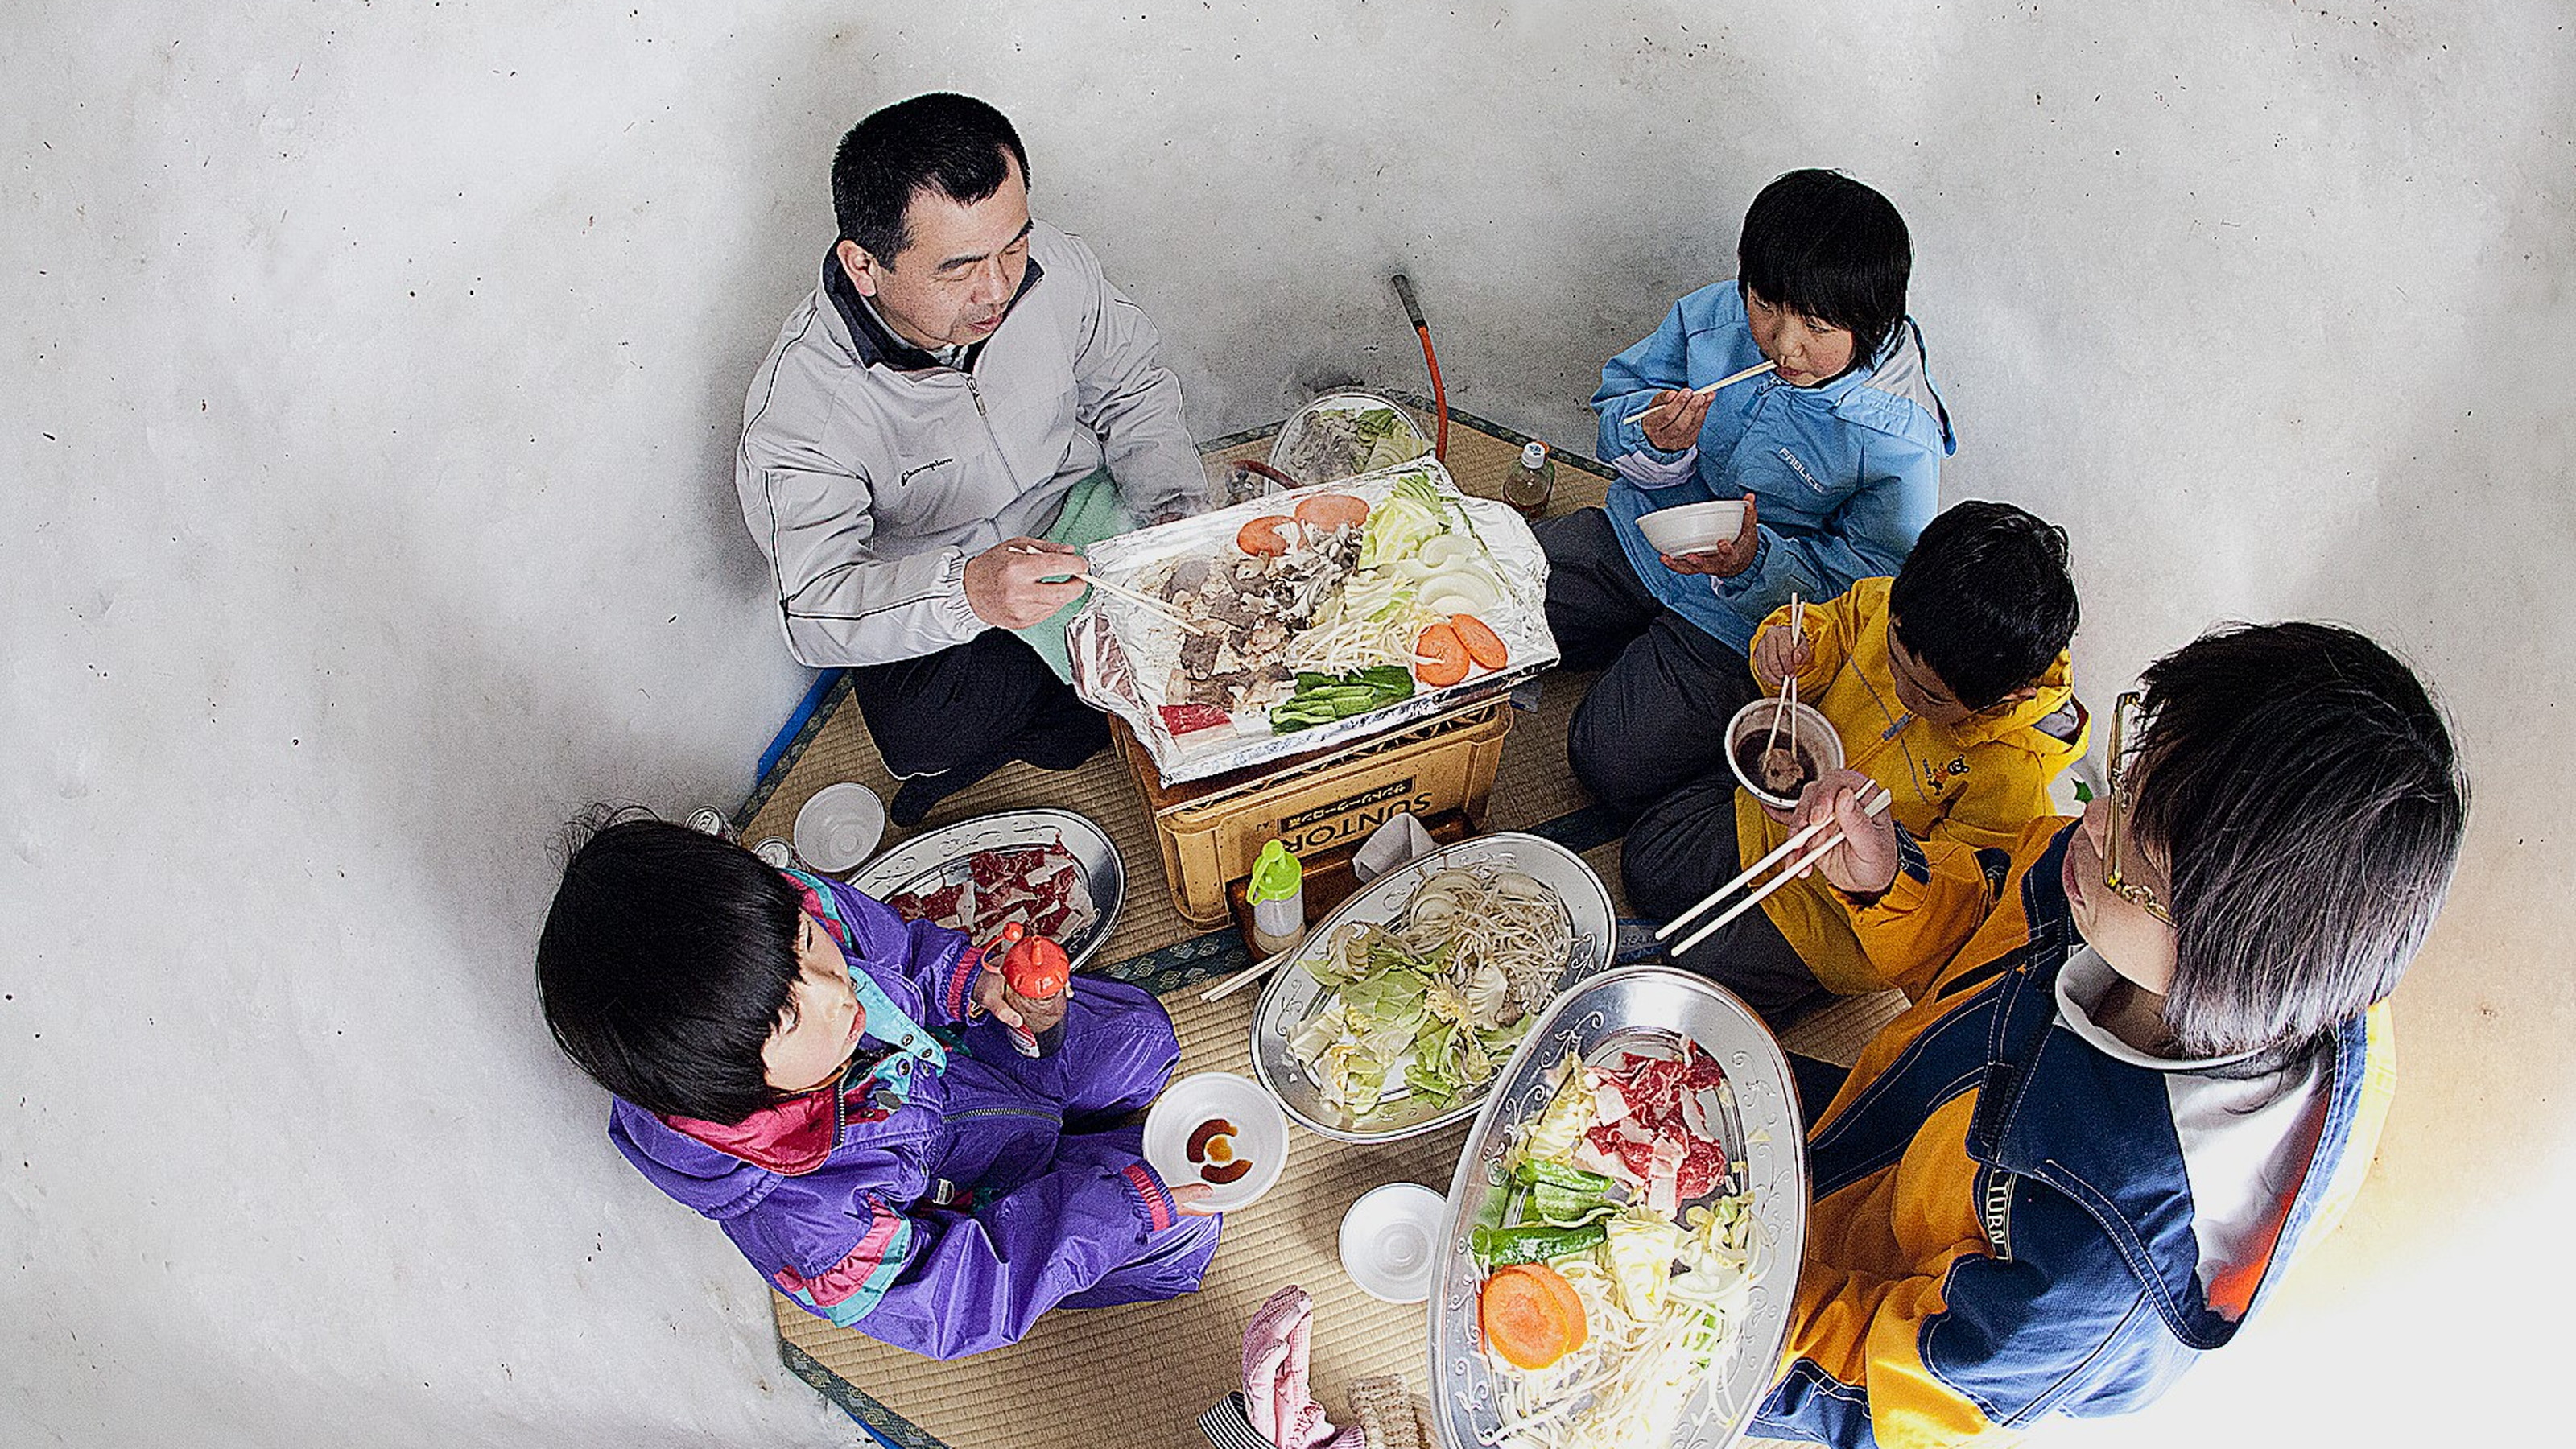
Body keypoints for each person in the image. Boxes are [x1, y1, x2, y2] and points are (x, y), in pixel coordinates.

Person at [1746, 622, 2467, 1447]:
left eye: (2137, 855)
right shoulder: (2130, 892)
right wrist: (1892, 883)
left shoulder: (2101, 1259)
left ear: (2225, 960)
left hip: (1842, 1307)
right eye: (2128, 775)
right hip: (1878, 1128)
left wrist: (1708, 1307)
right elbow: (1985, 938)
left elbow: (1881, 1391)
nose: (2092, 822)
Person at [535, 816, 1220, 1359]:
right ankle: (1099, 1196)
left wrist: (970, 982)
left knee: (1143, 1042)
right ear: (725, 1083)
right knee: (1184, 1231)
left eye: (807, 942)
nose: (836, 991)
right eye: (789, 1016)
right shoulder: (808, 1226)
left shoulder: (789, 906)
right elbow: (958, 1299)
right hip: (973, 1192)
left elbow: (898, 951)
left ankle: (1082, 1140)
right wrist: (1114, 1215)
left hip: (953, 1066)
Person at [735, 93, 1212, 825]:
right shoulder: (801, 416)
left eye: (1011, 245)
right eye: (958, 269)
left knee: (1221, 604)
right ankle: (1079, 712)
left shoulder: (1047, 264)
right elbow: (815, 608)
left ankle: (1080, 711)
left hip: (1079, 510)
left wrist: (1176, 517)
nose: (998, 289)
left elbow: (1132, 383)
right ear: (864, 265)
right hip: (946, 585)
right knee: (920, 739)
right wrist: (971, 593)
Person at [1544, 167, 1955, 819]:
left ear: (1873, 325)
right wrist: (1652, 437)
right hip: (1643, 529)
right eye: (1766, 306)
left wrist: (1756, 564)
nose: (1785, 345)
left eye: (1818, 327)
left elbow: (1872, 584)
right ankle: (1612, 635)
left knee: (1606, 758)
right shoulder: (1714, 317)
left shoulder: (1896, 434)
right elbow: (1617, 400)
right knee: (1497, 592)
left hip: (1743, 615)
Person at [1623, 500, 2086, 1020]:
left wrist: (1882, 862)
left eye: (1931, 697)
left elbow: (1959, 904)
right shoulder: (1883, 604)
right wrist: (1790, 651)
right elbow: (1826, 627)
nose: (1903, 692)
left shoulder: (2012, 773)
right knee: (1643, 865)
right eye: (1893, 661)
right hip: (1761, 822)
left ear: (2013, 696)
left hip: (1828, 921)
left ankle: (1804, 985)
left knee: (1685, 987)